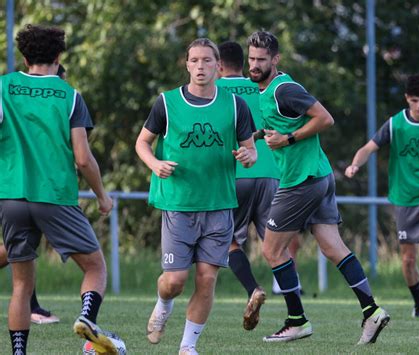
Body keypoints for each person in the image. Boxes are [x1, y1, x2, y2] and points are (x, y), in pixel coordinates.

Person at [247, 30, 389, 344]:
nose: (255, 64)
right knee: (332, 247)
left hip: (302, 182)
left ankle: (297, 320)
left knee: (272, 250)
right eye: (252, 58)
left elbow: (325, 118)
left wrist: (288, 140)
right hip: (319, 176)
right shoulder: (268, 90)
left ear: (276, 59)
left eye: (261, 59)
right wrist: (257, 140)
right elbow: (281, 125)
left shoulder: (285, 89)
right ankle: (372, 310)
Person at [0, 24, 117, 354]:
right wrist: (102, 196)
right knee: (95, 267)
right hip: (54, 195)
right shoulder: (69, 95)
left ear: (24, 57)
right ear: (59, 56)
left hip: (10, 195)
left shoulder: (2, 87)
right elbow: (83, 158)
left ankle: (19, 352)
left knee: (22, 284)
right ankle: (86, 319)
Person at [136, 38, 257, 355]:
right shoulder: (167, 103)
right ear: (186, 64)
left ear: (218, 66)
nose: (200, 66)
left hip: (219, 205)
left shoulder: (235, 105)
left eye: (207, 61)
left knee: (206, 279)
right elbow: (142, 144)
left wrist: (247, 157)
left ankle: (188, 346)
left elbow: (251, 150)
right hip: (178, 203)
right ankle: (163, 303)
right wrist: (155, 164)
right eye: (194, 60)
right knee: (174, 281)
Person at [346, 74, 419, 317]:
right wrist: (356, 164)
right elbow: (368, 148)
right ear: (406, 99)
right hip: (406, 198)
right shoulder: (395, 123)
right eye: (413, 100)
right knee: (409, 260)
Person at [216, 41, 305, 331]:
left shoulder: (215, 92)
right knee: (277, 246)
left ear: (218, 65)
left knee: (229, 241)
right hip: (272, 174)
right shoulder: (262, 84)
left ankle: (253, 289)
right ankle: (296, 310)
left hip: (236, 172)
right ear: (245, 63)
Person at [0, 64, 68, 326]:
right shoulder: (18, 98)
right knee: (22, 246)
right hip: (17, 187)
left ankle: (33, 306)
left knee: (21, 245)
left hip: (26, 188)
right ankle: (32, 307)